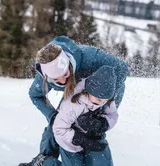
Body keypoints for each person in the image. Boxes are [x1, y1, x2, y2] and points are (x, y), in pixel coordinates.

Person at [19, 36, 128, 165]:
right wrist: (52, 115)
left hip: (100, 95)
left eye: (65, 74)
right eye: (56, 80)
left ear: (69, 64)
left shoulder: (91, 58)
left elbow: (122, 70)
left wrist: (101, 115)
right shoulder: (44, 78)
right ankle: (43, 160)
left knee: (91, 131)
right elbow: (35, 96)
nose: (63, 81)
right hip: (74, 97)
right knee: (59, 123)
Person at [52, 65, 118, 166]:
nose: (102, 103)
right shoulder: (73, 104)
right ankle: (45, 162)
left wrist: (102, 124)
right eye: (99, 100)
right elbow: (59, 129)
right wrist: (82, 140)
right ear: (88, 90)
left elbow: (113, 115)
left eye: (105, 101)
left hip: (93, 137)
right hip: (69, 143)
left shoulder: (105, 97)